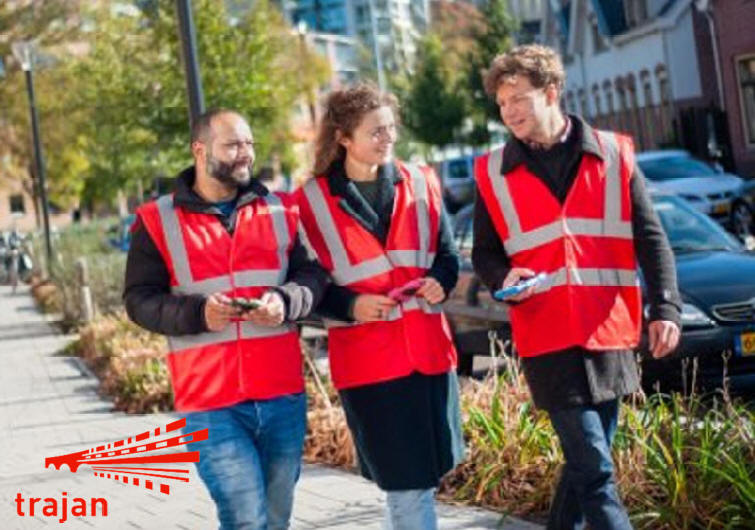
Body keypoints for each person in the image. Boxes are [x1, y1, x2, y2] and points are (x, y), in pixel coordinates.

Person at [472, 45, 682, 530]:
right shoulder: (492, 173)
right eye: (502, 104)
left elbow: (651, 238)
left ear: (551, 92)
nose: (510, 112)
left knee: (588, 464)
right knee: (596, 470)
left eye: (518, 99)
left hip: (609, 332)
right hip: (546, 336)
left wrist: (665, 307)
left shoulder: (613, 154)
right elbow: (484, 253)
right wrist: (503, 277)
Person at [123, 109, 329, 530]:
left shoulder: (280, 210)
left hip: (281, 393)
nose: (245, 154)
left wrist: (285, 301)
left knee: (275, 516)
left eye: (249, 144)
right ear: (199, 150)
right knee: (245, 518)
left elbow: (312, 277)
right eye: (233, 145)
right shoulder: (156, 221)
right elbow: (139, 300)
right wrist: (198, 312)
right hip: (209, 402)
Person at [295, 84, 464, 530]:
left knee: (421, 479)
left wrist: (438, 283)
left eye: (390, 128)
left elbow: (447, 256)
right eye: (375, 131)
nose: (387, 138)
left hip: (428, 354)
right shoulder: (309, 202)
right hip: (370, 363)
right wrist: (351, 305)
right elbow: (304, 285)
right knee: (406, 481)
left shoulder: (423, 181)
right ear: (344, 139)